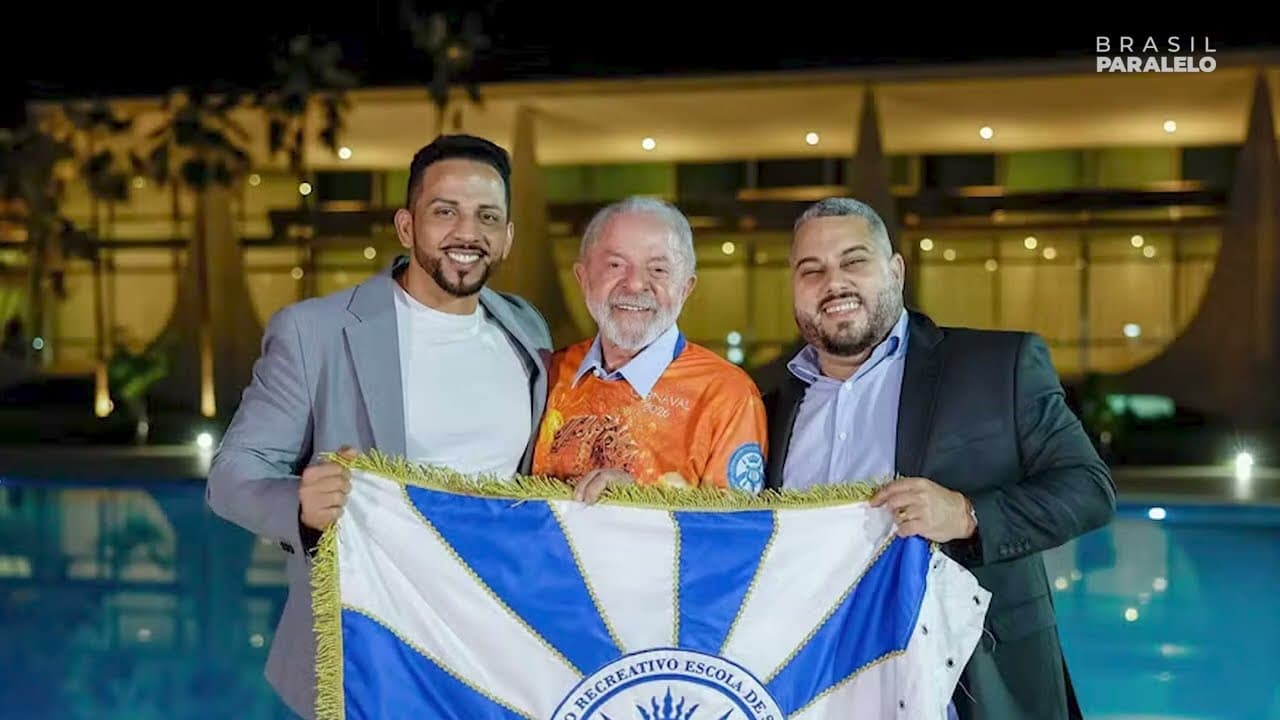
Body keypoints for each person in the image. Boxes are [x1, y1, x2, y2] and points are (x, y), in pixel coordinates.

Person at [206, 134, 553, 719]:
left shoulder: (526, 330)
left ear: (508, 236)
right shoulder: (314, 332)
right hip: (369, 653)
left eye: (487, 216)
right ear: (406, 226)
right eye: (446, 211)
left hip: (494, 654)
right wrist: (300, 507)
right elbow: (231, 477)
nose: (468, 232)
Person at [761, 197, 1115, 720]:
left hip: (968, 688)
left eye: (854, 261)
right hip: (813, 689)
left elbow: (1089, 488)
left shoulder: (996, 368)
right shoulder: (768, 408)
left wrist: (967, 515)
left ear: (896, 270)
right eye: (811, 270)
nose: (833, 282)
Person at [533, 196, 768, 500]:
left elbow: (735, 526)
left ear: (686, 288)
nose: (634, 284)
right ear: (583, 278)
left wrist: (639, 503)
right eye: (615, 265)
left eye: (658, 270)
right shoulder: (549, 374)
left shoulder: (726, 396)